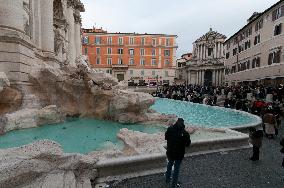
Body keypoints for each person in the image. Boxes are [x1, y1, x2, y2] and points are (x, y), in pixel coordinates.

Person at [165, 118, 191, 188]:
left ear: (176, 123)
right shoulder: (185, 133)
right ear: (183, 124)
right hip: (179, 155)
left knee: (170, 164)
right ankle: (174, 184)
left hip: (170, 152)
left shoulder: (170, 129)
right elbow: (188, 144)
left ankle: (167, 179)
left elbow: (166, 137)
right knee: (176, 168)